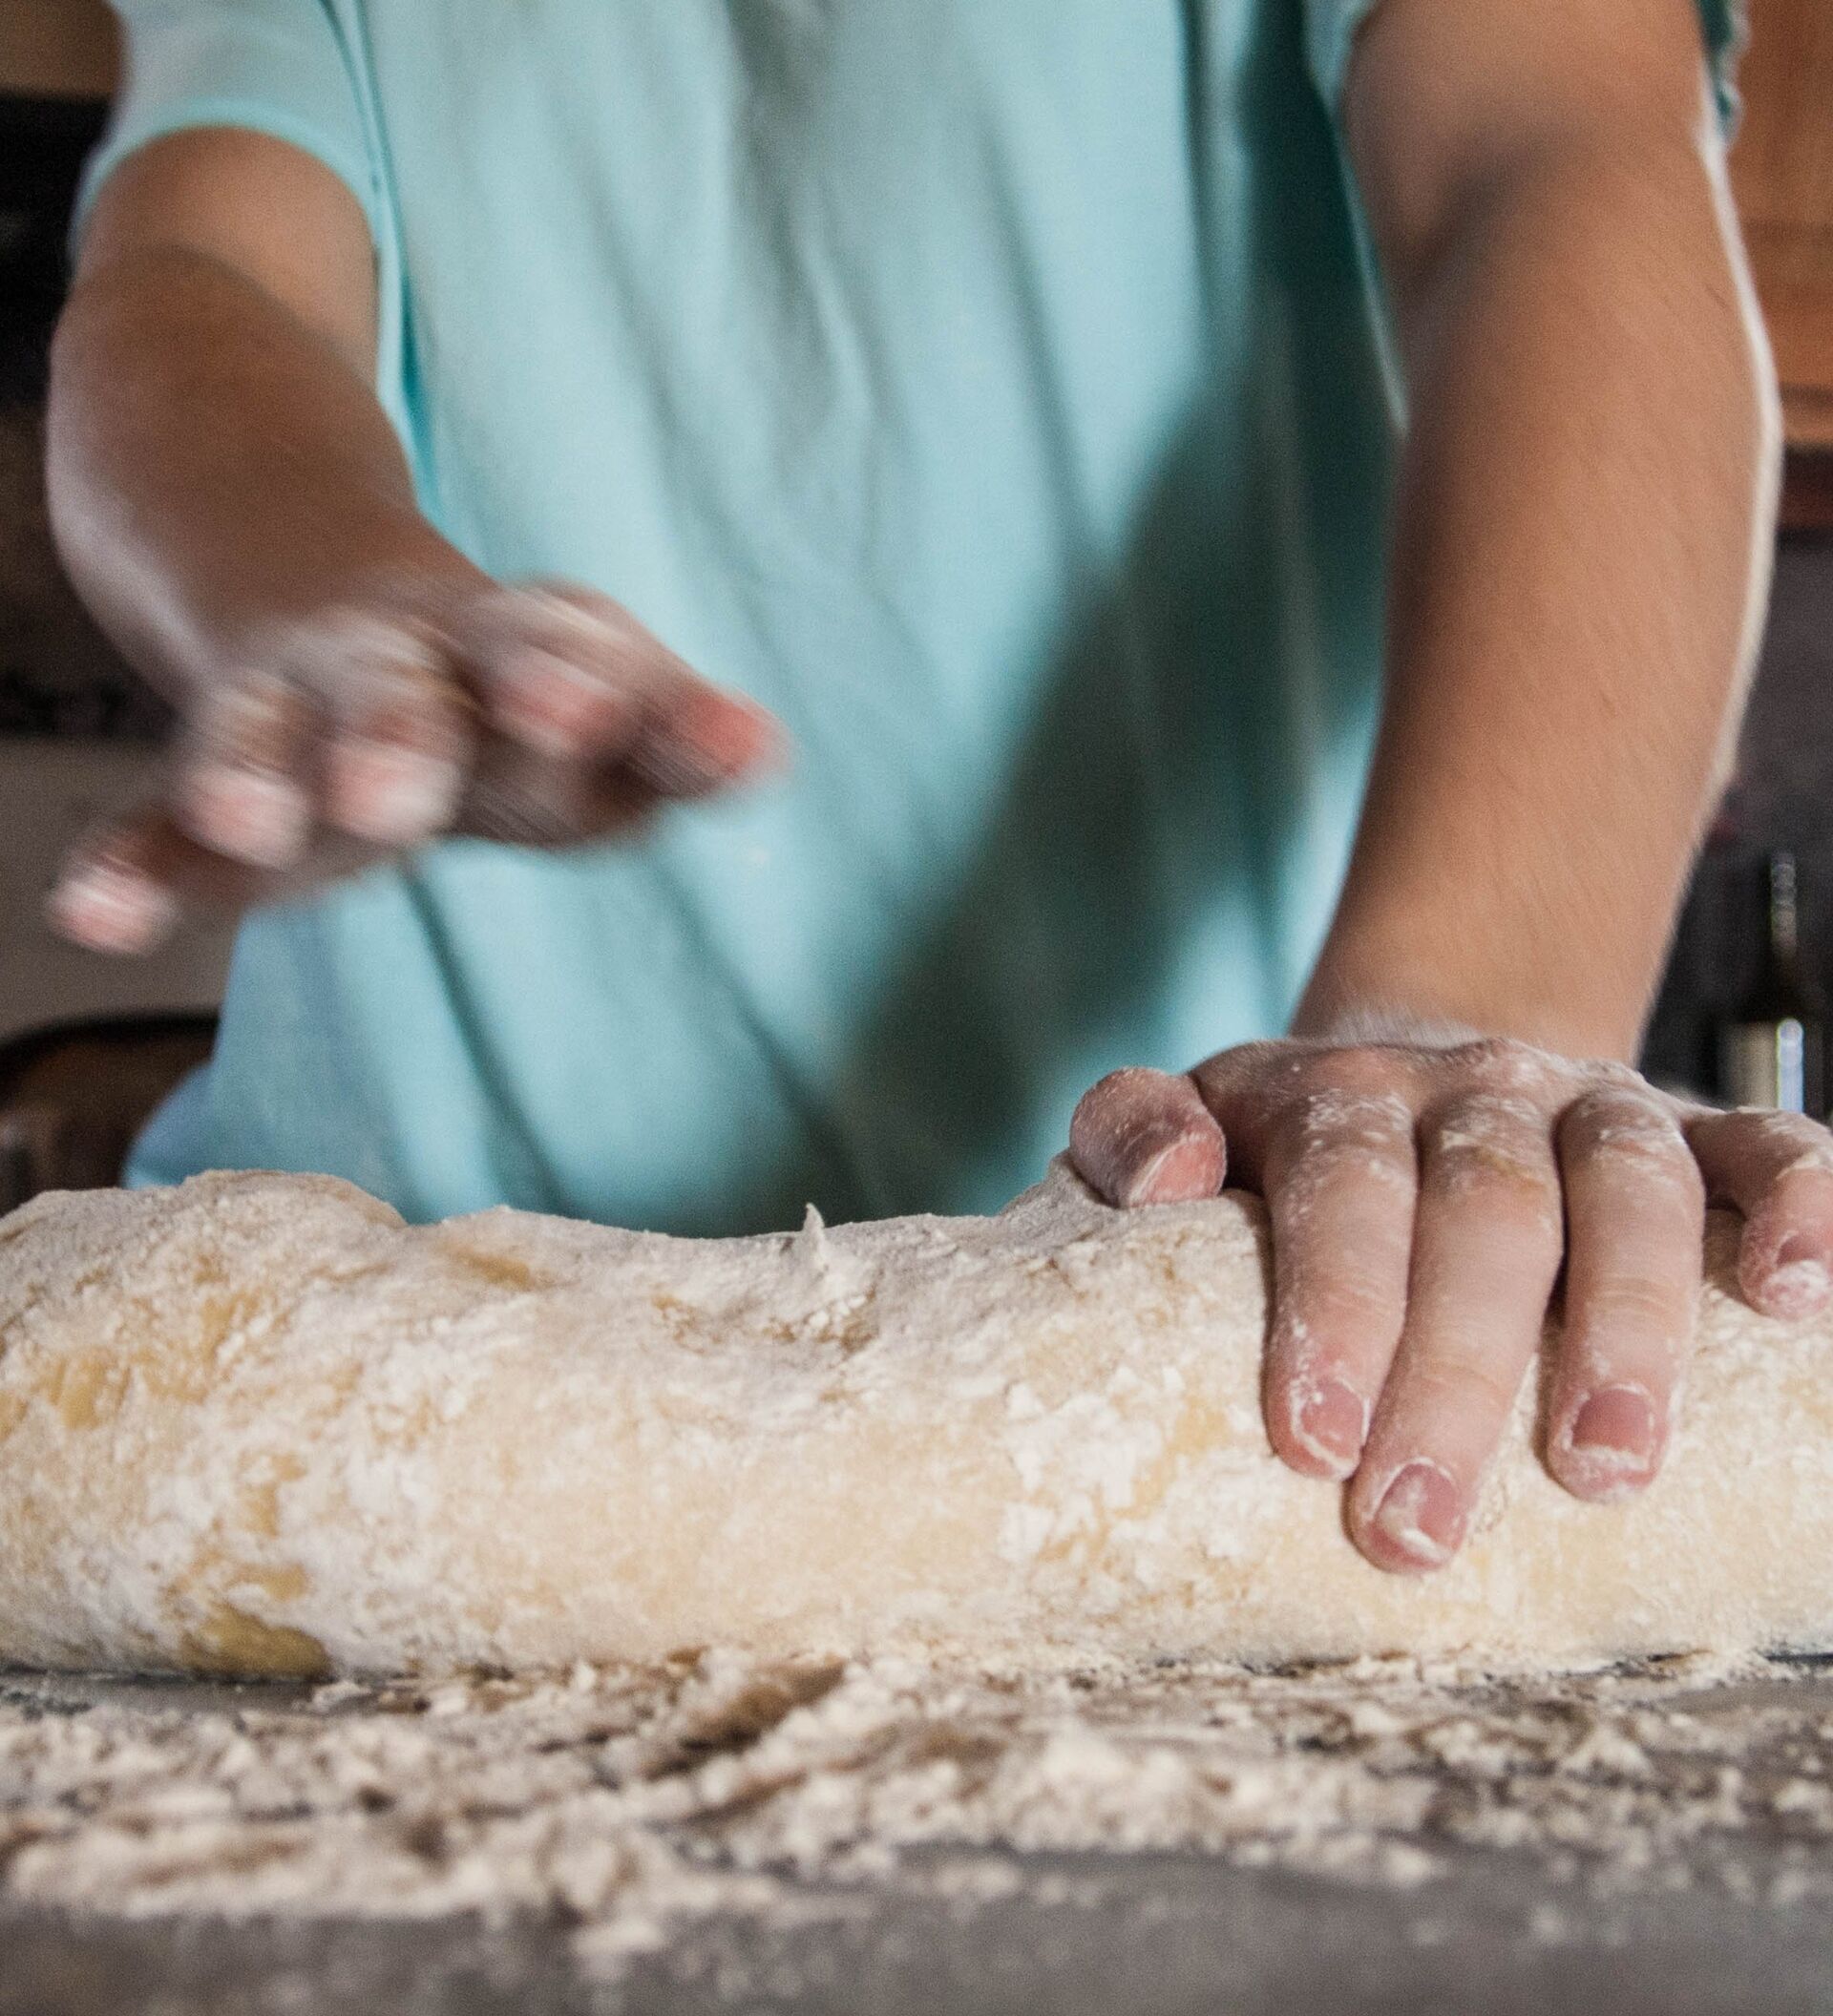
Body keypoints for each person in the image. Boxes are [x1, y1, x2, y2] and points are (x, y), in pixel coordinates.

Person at [45, 0, 1829, 1578]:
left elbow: (1551, 159)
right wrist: (344, 593)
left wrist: (1453, 1039)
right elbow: (201, 271)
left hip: (1213, 1317)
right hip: (353, 1382)